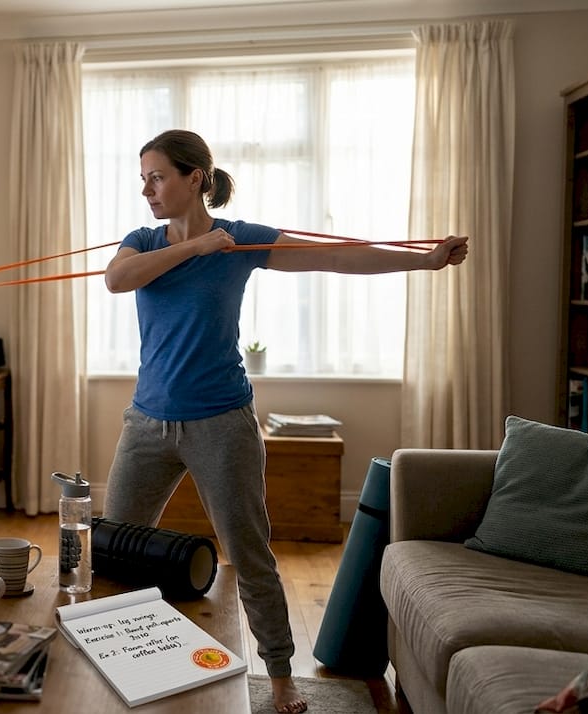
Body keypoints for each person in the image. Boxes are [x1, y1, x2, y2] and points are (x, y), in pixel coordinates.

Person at [102, 129, 468, 714]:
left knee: (250, 553)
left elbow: (333, 255)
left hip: (221, 422)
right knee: (113, 547)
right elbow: (116, 279)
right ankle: (123, 661)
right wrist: (194, 249)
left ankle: (278, 675)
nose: (145, 188)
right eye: (143, 177)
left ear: (194, 178)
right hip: (147, 423)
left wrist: (422, 262)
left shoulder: (241, 242)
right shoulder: (142, 242)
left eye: (157, 176)